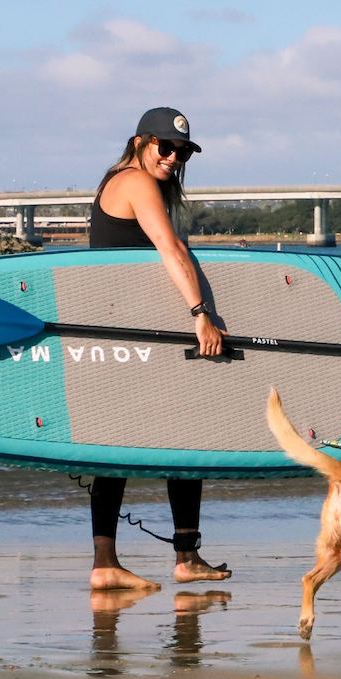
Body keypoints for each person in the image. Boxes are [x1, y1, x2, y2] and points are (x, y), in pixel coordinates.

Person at [87, 107, 232, 591]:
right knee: (174, 437)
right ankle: (164, 558)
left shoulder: (118, 179)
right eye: (164, 147)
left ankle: (119, 561)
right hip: (131, 334)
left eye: (182, 151)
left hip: (123, 329)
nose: (173, 157)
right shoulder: (137, 182)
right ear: (139, 142)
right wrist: (201, 314)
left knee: (134, 443)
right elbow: (170, 250)